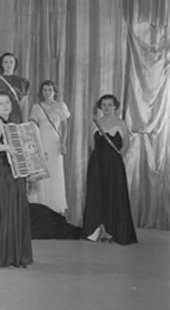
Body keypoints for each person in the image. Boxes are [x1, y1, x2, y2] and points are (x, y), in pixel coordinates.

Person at [0, 91, 33, 268]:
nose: (4, 106)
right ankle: (7, 255)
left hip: (15, 173)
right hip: (5, 173)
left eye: (7, 102)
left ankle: (13, 255)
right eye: (0, 103)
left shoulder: (10, 123)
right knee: (9, 211)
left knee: (15, 211)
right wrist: (6, 147)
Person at [83, 94, 137, 245]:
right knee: (97, 194)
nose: (106, 107)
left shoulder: (121, 123)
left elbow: (126, 145)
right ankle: (95, 230)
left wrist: (115, 161)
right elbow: (91, 145)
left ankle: (114, 231)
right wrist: (99, 160)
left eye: (109, 104)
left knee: (114, 194)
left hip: (114, 166)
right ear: (100, 107)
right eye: (104, 105)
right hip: (97, 165)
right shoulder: (95, 123)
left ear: (115, 106)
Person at [27, 80, 71, 214]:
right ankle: (39, 206)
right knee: (40, 173)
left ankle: (55, 208)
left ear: (54, 91)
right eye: (45, 90)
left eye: (50, 90)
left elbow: (64, 127)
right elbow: (32, 127)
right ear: (41, 92)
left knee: (54, 173)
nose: (47, 93)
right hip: (40, 142)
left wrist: (63, 143)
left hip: (54, 143)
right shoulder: (36, 107)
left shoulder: (60, 106)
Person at [0, 52, 30, 124]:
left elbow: (22, 103)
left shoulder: (22, 82)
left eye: (11, 62)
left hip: (15, 117)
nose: (8, 64)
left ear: (15, 64)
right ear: (2, 64)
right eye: (6, 62)